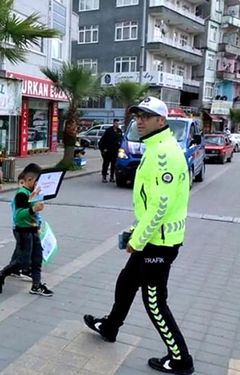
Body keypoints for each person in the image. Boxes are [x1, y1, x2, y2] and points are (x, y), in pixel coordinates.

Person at [83, 97, 194, 375]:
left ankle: (180, 358)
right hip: (152, 236)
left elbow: (161, 206)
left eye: (146, 116)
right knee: (127, 281)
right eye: (137, 115)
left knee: (155, 302)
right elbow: (150, 203)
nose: (140, 121)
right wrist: (137, 230)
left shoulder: (164, 153)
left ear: (161, 120)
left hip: (160, 241)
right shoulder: (155, 146)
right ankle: (110, 327)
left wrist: (137, 240)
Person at [0, 164, 53, 296]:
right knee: (23, 261)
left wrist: (38, 219)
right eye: (37, 181)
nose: (39, 184)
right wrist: (33, 209)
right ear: (30, 180)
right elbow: (18, 216)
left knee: (37, 258)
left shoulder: (32, 193)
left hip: (33, 229)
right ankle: (0, 274)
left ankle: (36, 285)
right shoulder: (21, 194)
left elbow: (34, 212)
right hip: (23, 231)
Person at [98, 119, 123, 183]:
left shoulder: (119, 131)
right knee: (106, 164)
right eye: (116, 123)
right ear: (113, 123)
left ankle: (112, 177)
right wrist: (103, 149)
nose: (117, 125)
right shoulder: (108, 131)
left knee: (113, 165)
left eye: (118, 123)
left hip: (115, 151)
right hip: (108, 151)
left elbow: (121, 139)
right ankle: (104, 177)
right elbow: (103, 140)